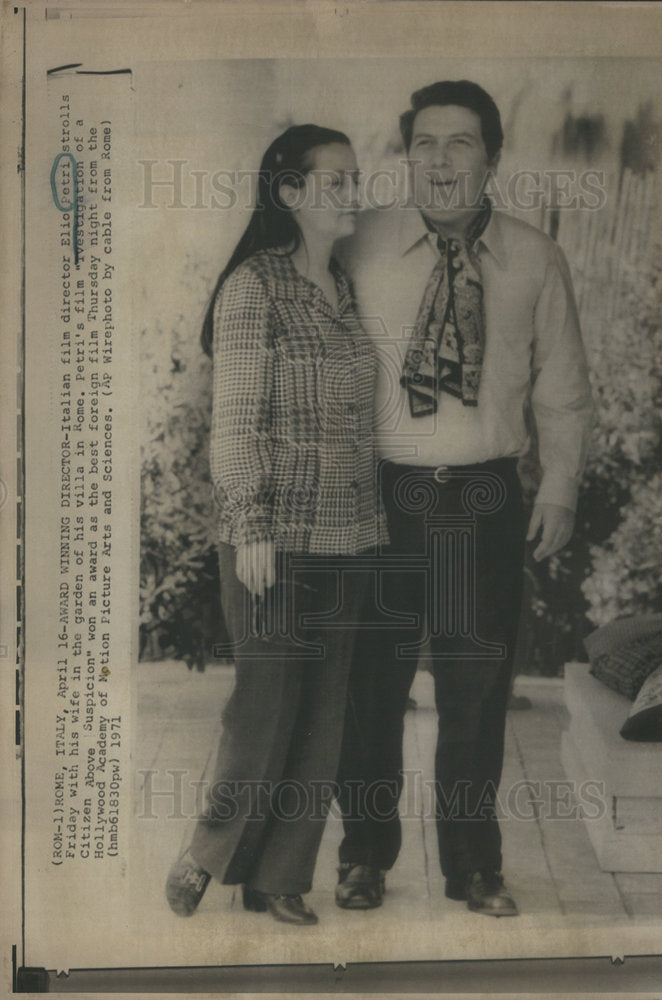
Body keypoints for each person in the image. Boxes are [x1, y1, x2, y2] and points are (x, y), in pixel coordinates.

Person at [334, 81, 593, 916]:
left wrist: (558, 487)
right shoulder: (358, 244)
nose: (441, 161)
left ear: (493, 158)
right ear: (405, 153)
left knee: (475, 691)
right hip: (380, 497)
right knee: (370, 685)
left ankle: (475, 866)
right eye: (425, 143)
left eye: (462, 143)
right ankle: (364, 855)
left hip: (483, 499)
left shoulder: (533, 257)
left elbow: (564, 391)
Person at [165, 124, 386, 926]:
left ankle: (280, 878)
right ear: (289, 194)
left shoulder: (342, 289)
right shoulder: (255, 288)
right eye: (335, 181)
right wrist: (250, 525)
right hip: (274, 538)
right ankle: (206, 853)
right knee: (265, 706)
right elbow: (235, 422)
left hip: (350, 535)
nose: (351, 192)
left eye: (354, 179)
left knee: (325, 714)